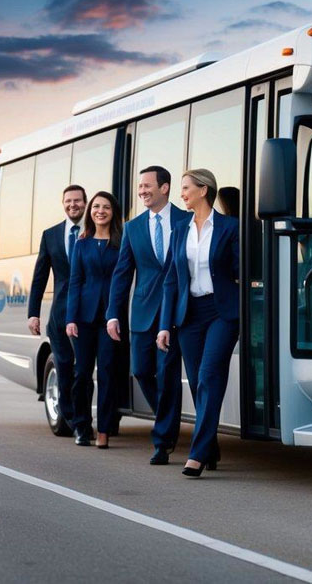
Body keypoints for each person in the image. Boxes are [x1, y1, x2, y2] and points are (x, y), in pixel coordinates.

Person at [106, 166, 191, 465]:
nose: (141, 190)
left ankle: (163, 441)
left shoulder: (188, 220)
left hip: (176, 312)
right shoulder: (133, 227)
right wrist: (113, 314)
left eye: (147, 185)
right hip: (142, 312)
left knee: (167, 376)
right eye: (139, 186)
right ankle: (170, 421)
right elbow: (122, 274)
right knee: (141, 370)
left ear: (164, 188)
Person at [157, 169, 239, 478]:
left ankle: (197, 453)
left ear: (204, 191)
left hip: (221, 312)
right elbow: (170, 281)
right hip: (189, 314)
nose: (182, 194)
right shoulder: (180, 229)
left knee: (208, 376)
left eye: (186, 188)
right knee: (196, 381)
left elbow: (241, 269)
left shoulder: (230, 227)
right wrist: (165, 325)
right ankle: (210, 446)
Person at [66, 191, 124, 448]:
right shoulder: (82, 243)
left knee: (109, 373)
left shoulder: (121, 242)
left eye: (106, 207)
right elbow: (75, 282)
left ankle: (105, 429)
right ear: (91, 211)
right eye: (96, 206)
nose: (101, 211)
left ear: (114, 213)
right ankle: (81, 426)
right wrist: (71, 318)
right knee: (82, 373)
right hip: (84, 318)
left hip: (111, 318)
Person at [27, 184, 86, 434]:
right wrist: (33, 312)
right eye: (68, 201)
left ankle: (87, 420)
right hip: (60, 313)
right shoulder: (50, 235)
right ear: (63, 204)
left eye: (78, 201)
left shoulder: (95, 231)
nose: (73, 205)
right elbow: (40, 276)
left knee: (83, 367)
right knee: (63, 366)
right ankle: (69, 420)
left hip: (89, 312)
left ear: (85, 203)